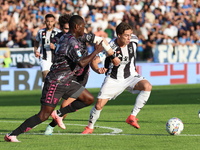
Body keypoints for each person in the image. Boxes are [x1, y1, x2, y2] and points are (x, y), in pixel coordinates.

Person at [4, 15, 105, 142]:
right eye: (83, 27)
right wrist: (96, 52)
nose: (84, 30)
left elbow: (85, 38)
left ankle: (59, 113)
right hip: (56, 82)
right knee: (43, 115)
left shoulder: (67, 37)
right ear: (77, 27)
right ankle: (12, 135)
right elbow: (81, 63)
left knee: (88, 99)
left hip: (67, 80)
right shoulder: (71, 42)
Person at [44, 15, 121, 135]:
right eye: (64, 29)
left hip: (80, 75)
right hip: (64, 74)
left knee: (65, 105)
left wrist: (112, 56)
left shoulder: (82, 36)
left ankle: (51, 126)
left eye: (66, 28)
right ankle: (41, 119)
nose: (66, 31)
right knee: (51, 105)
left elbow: (102, 40)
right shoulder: (59, 38)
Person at [81, 22, 152, 134]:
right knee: (99, 104)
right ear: (118, 35)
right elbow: (94, 62)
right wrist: (98, 70)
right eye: (126, 35)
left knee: (147, 86)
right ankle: (90, 127)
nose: (129, 38)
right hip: (114, 79)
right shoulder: (110, 47)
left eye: (130, 35)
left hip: (131, 76)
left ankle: (132, 117)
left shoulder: (134, 40)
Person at [34, 14, 61, 90]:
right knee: (46, 75)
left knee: (52, 79)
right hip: (44, 58)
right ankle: (45, 95)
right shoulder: (41, 32)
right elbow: (36, 41)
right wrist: (35, 50)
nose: (49, 23)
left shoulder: (58, 32)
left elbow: (62, 44)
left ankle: (49, 93)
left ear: (54, 22)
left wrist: (55, 46)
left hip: (55, 59)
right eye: (48, 21)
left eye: (51, 21)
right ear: (45, 21)